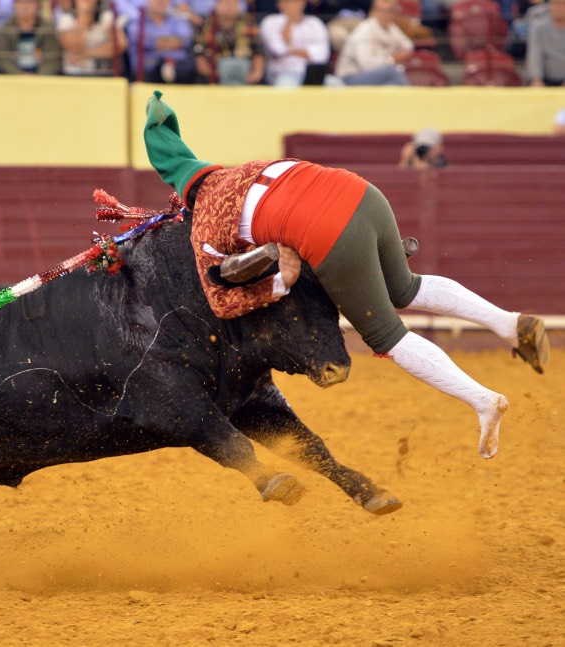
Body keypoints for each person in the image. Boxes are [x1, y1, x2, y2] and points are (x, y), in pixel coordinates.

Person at [142, 90, 550, 461]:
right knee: (404, 287)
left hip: (330, 233)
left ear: (185, 195)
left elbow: (221, 301)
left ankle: (481, 400)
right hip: (364, 194)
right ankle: (508, 323)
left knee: (387, 336)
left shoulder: (204, 227)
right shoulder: (249, 168)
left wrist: (281, 281)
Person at [334, 0, 412, 85]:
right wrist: (391, 59)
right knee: (392, 71)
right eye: (381, 11)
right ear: (373, 12)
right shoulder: (365, 30)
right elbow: (367, 65)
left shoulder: (391, 28)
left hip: (374, 75)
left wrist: (392, 60)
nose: (384, 15)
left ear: (395, 13)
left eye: (388, 11)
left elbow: (408, 46)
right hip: (350, 77)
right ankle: (412, 97)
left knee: (391, 85)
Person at [260, 0, 331, 86]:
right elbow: (279, 50)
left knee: (335, 84)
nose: (293, 5)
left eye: (296, 1)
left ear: (304, 3)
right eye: (288, 2)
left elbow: (323, 55)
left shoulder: (315, 22)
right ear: (279, 4)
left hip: (314, 73)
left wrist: (290, 50)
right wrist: (289, 21)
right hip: (283, 72)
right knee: (285, 86)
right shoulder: (270, 21)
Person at [193, 0, 266, 85]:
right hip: (216, 68)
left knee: (234, 66)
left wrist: (256, 73)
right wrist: (213, 75)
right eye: (225, 3)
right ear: (217, 5)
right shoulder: (206, 24)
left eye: (233, 3)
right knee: (227, 66)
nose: (229, 7)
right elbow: (198, 54)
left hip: (244, 67)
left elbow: (258, 51)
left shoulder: (249, 22)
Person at [126, 0, 195, 83]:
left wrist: (158, 42)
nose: (161, 1)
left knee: (192, 64)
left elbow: (186, 40)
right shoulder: (137, 21)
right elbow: (145, 41)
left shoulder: (178, 19)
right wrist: (173, 42)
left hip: (181, 68)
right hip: (150, 70)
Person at [56, 0, 128, 77]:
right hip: (74, 74)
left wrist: (86, 54)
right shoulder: (66, 18)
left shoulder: (106, 15)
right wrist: (83, 15)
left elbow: (119, 45)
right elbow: (74, 47)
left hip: (104, 74)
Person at [0, 0, 61, 75]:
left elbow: (53, 61)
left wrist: (38, 78)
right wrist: (20, 75)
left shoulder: (48, 29)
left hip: (42, 80)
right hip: (13, 81)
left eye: (29, 2)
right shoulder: (4, 30)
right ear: (14, 5)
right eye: (21, 2)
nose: (25, 6)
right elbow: (2, 61)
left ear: (37, 5)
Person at [525, 0, 565, 87]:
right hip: (545, 79)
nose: (559, 8)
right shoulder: (538, 27)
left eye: (562, 4)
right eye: (556, 4)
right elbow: (535, 54)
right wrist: (536, 78)